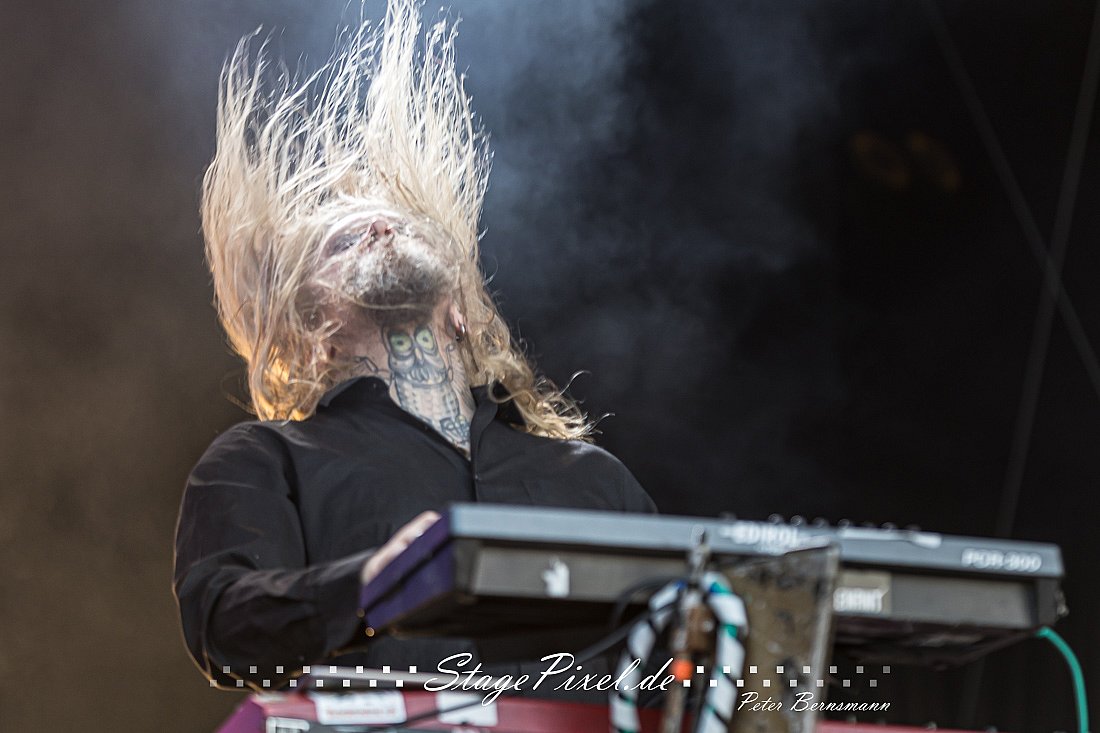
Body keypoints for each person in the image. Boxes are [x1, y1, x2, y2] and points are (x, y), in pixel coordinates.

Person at [173, 0, 655, 692]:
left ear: (461, 308)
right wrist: (375, 583)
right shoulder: (265, 459)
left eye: (401, 228)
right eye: (343, 242)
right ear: (313, 332)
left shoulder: (595, 480)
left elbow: (685, 666)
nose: (380, 230)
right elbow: (227, 628)